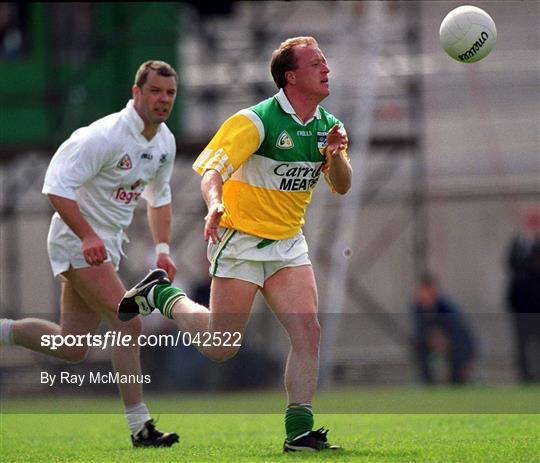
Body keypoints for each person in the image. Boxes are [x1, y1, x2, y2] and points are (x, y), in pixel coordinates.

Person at [119, 36, 351, 452]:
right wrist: (214, 205)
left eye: (325, 62)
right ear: (291, 76)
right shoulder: (256, 121)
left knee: (308, 331)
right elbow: (212, 170)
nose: (326, 69)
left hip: (287, 244)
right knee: (220, 348)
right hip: (240, 241)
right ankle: (163, 295)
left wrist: (335, 156)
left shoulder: (327, 127)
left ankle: (299, 431)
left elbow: (341, 185)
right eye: (316, 63)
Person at [0, 61, 180, 447]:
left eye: (170, 93)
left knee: (72, 347)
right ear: (136, 93)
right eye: (155, 91)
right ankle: (140, 428)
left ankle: (2, 331)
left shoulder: (164, 143)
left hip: (105, 248)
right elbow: (55, 186)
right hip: (74, 241)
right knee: (129, 322)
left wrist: (163, 249)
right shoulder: (103, 135)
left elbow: (159, 198)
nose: (163, 99)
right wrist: (85, 236)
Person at [411, 273, 477, 385]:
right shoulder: (417, 307)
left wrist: (445, 340)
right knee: (419, 348)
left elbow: (459, 332)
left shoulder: (446, 306)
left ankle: (458, 382)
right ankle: (428, 383)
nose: (425, 294)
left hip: (453, 342)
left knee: (458, 364)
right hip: (431, 341)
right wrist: (432, 338)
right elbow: (420, 330)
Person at [505, 209, 540, 382]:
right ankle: (525, 378)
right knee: (522, 344)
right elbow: (511, 264)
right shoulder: (517, 243)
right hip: (521, 306)